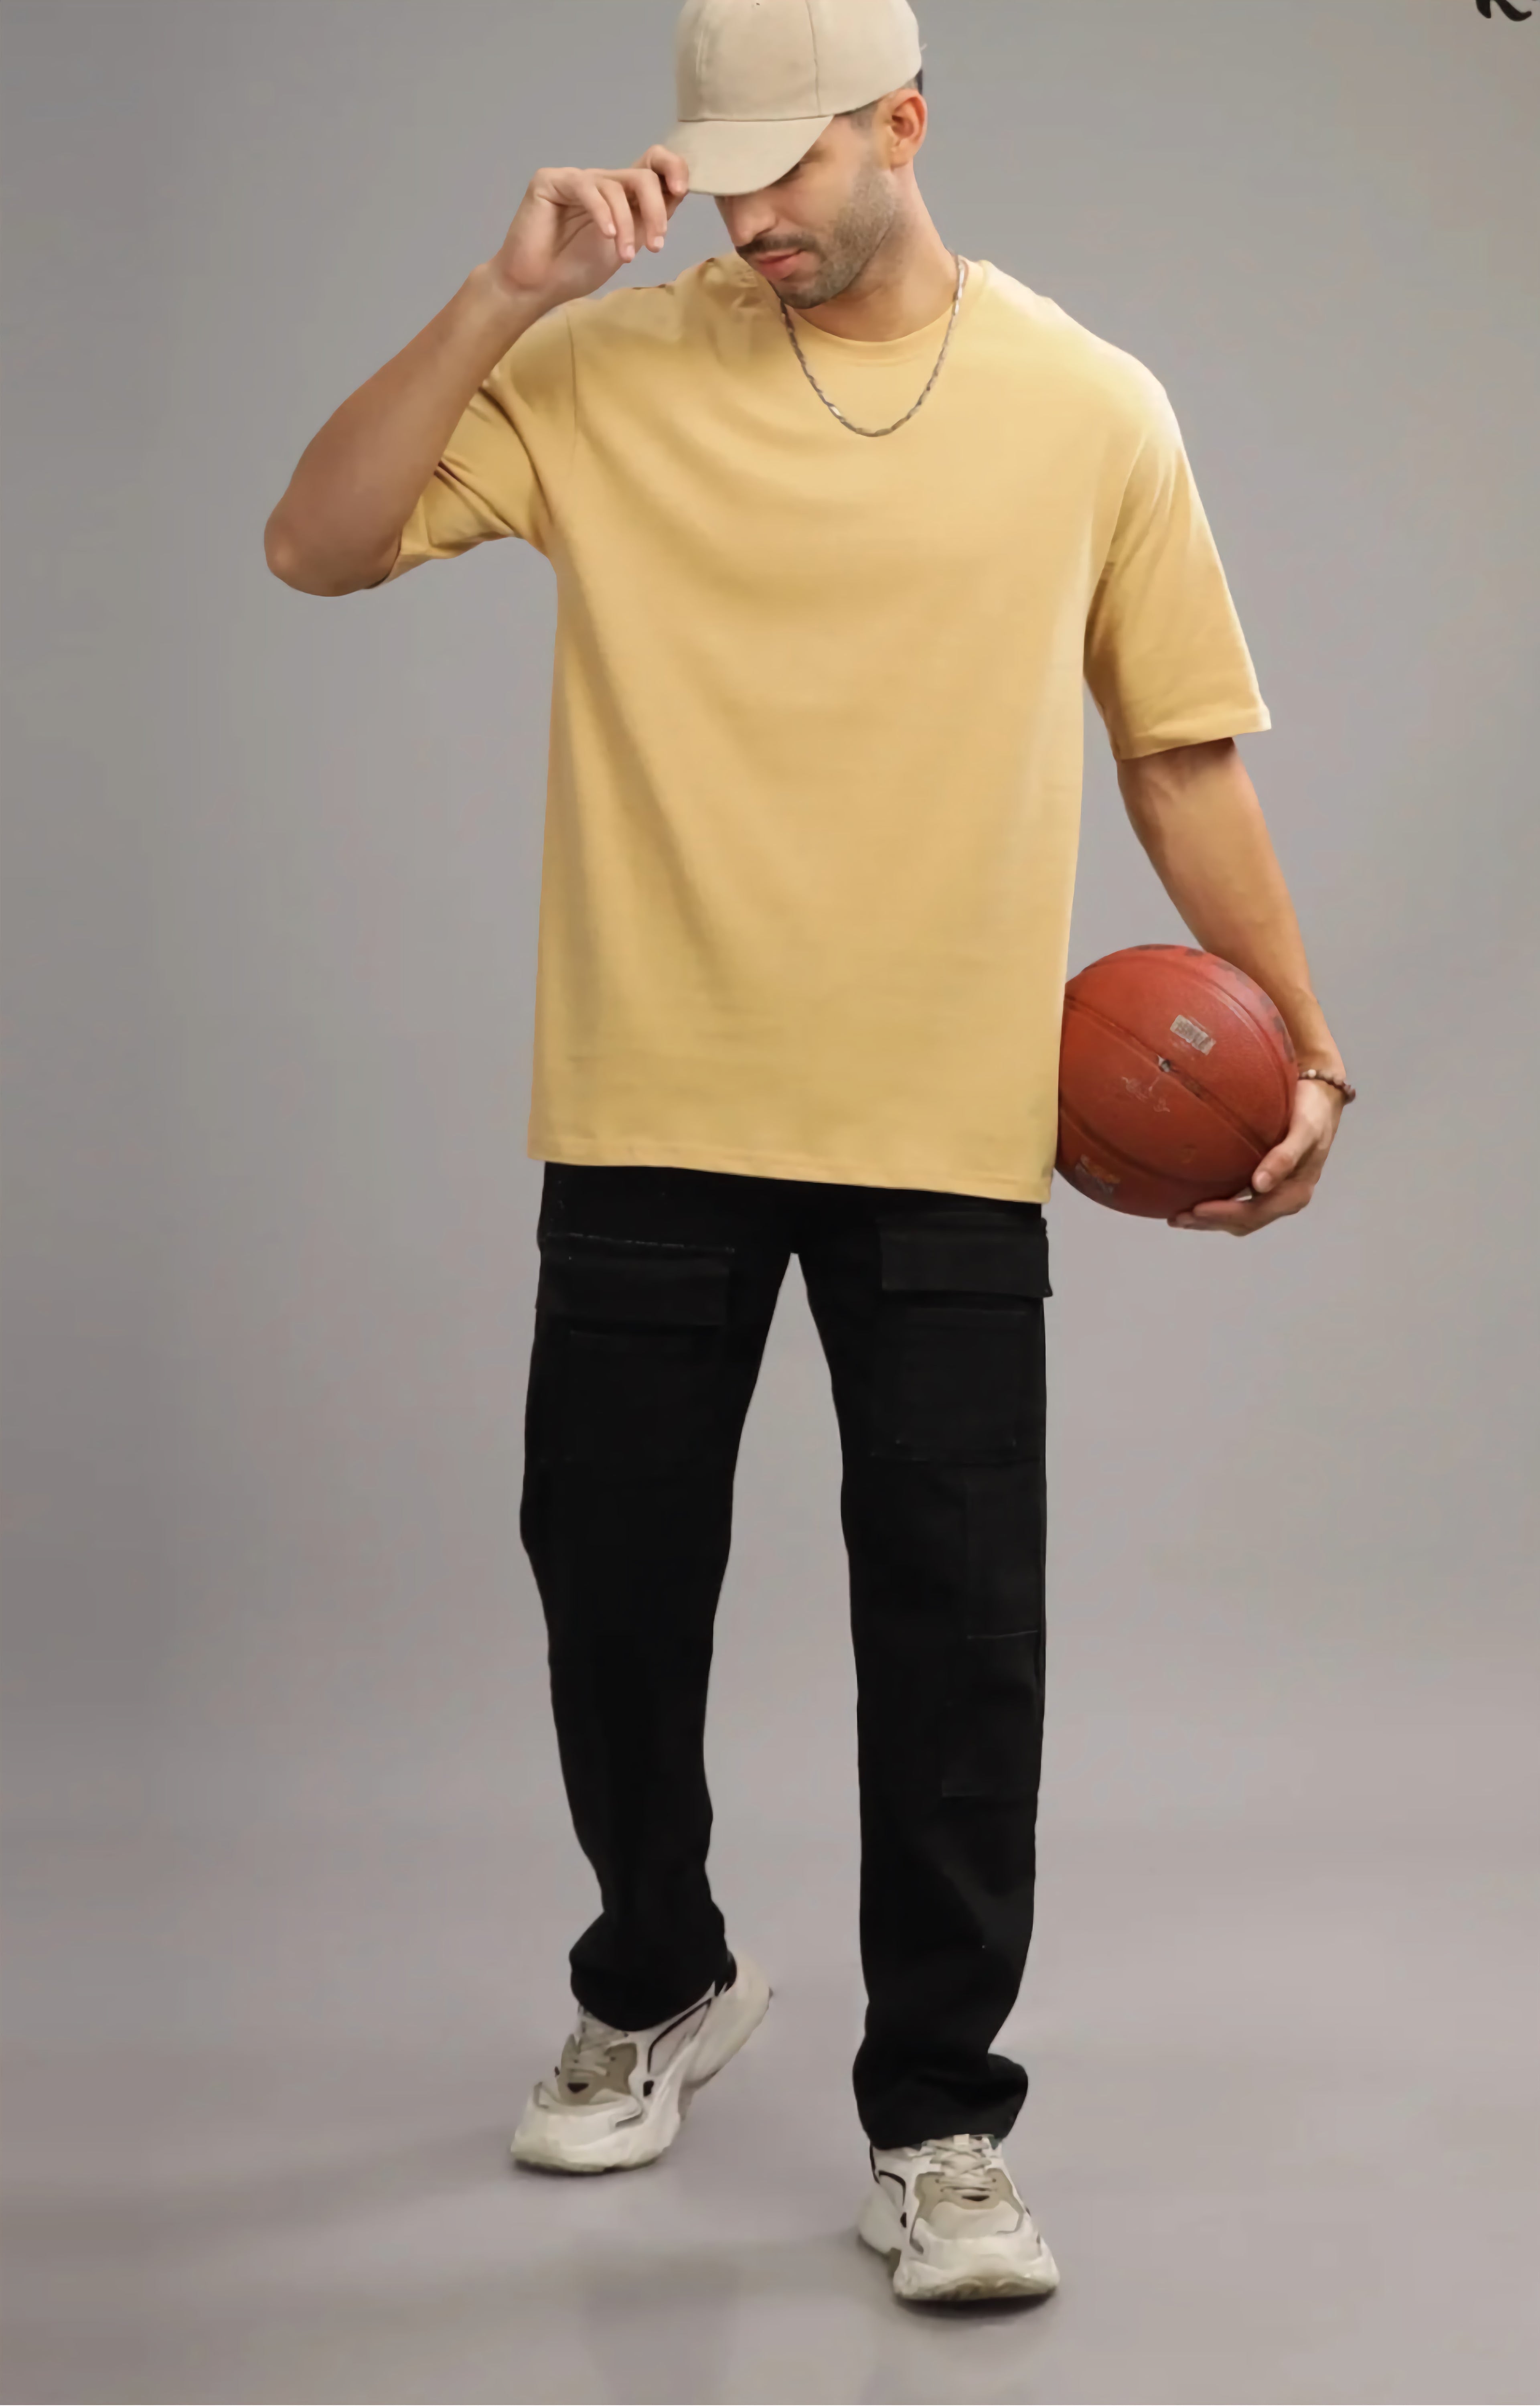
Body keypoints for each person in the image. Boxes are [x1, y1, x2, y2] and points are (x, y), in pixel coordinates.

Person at [264, 0, 1352, 2307]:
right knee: (615, 1594)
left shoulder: (1088, 406)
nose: (754, 212)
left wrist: (1314, 1049)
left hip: (949, 1125)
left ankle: (943, 2118)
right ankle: (655, 1968)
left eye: (796, 167)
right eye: (721, 169)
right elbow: (314, 541)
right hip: (651, 1092)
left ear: (907, 125)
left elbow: (1181, 762)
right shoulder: (600, 370)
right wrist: (499, 299)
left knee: (962, 1649)